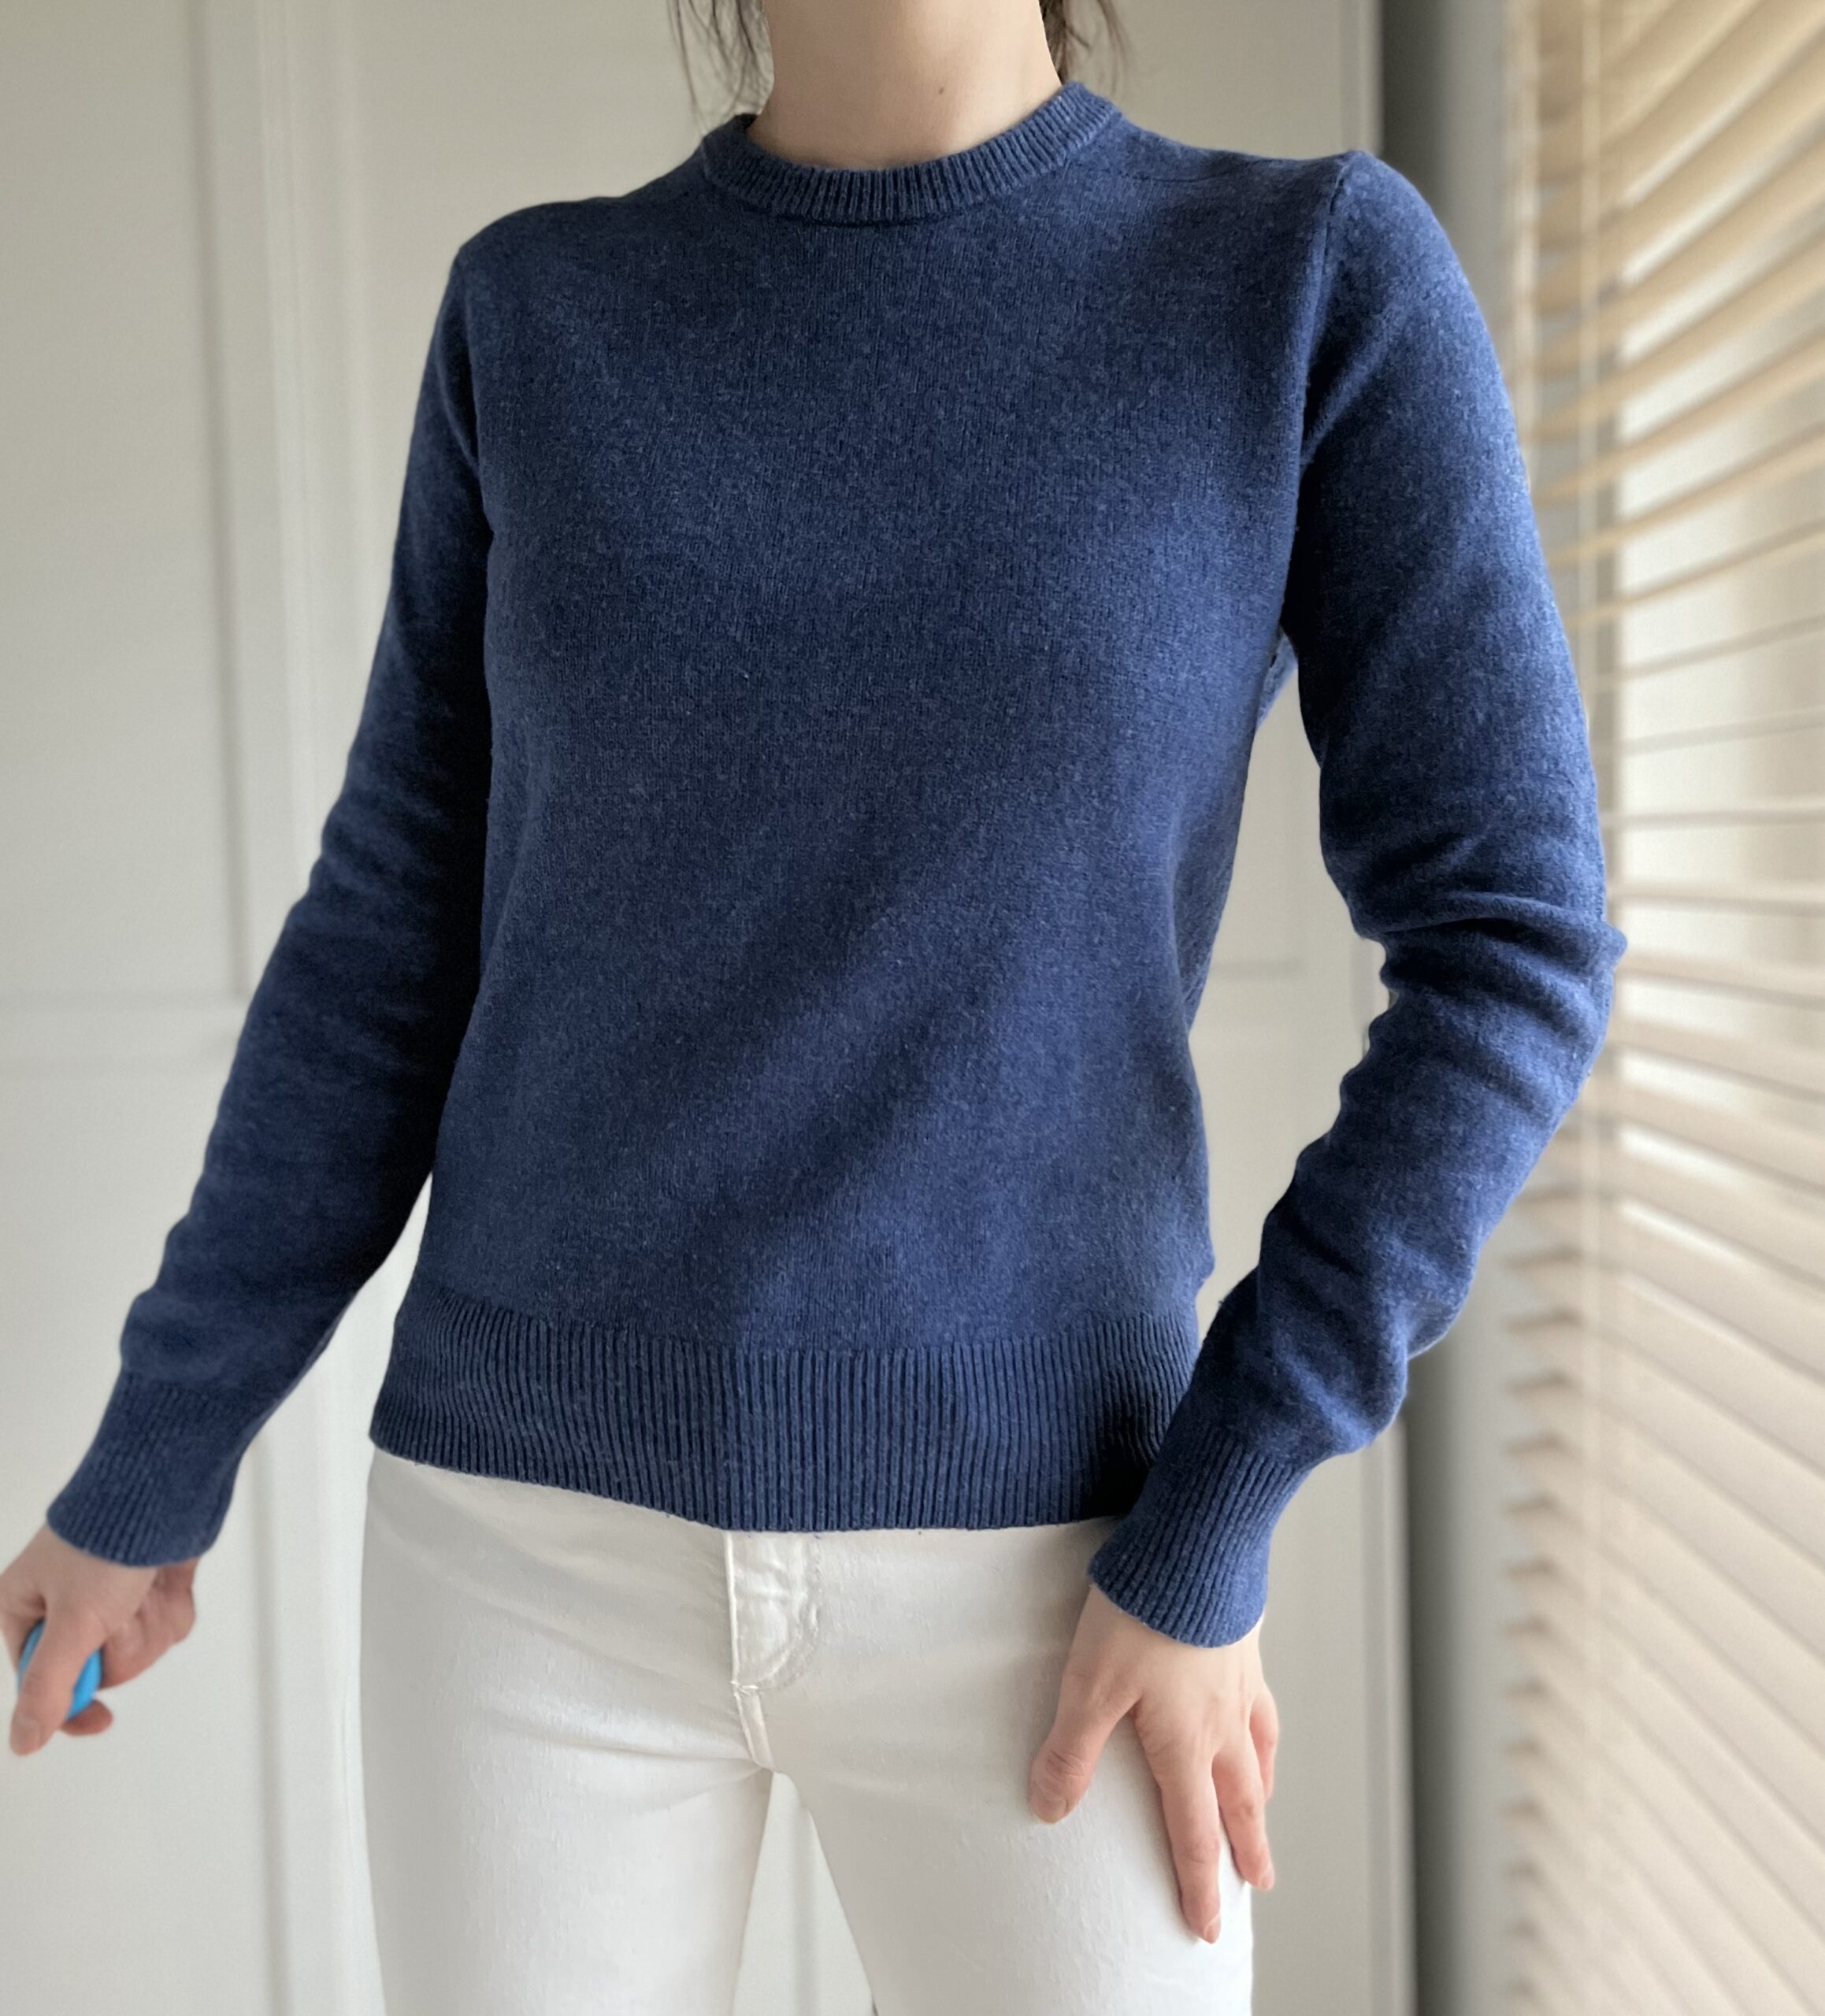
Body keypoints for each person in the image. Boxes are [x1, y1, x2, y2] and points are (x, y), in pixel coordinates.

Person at [1, 2, 1623, 2010]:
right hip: (523, 1552)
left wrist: (1221, 1500)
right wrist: (157, 1448)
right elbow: (388, 940)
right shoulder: (538, 314)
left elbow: (1514, 937)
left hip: (1067, 1569)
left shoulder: (1300, 277)